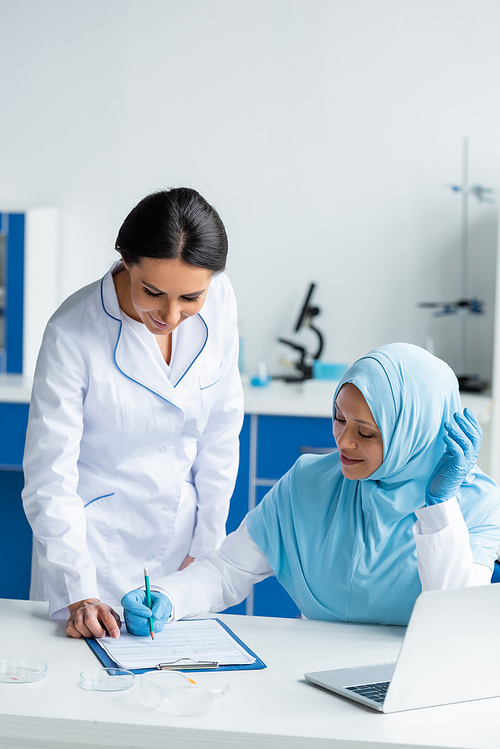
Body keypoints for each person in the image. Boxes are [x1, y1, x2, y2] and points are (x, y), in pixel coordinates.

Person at [121, 342, 500, 634]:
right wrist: (168, 597)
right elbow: (227, 569)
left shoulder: (476, 506)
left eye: (365, 432)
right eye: (339, 419)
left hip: (408, 679)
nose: (343, 442)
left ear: (413, 435)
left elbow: (452, 625)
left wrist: (439, 507)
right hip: (312, 671)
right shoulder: (310, 482)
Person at [22, 187, 244, 639]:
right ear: (125, 260)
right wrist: (78, 591)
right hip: (92, 555)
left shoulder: (219, 299)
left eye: (190, 298)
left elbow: (221, 431)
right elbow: (49, 477)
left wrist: (206, 550)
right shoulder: (72, 333)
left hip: (182, 546)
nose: (171, 314)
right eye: (154, 292)